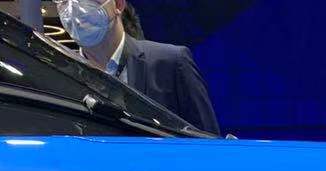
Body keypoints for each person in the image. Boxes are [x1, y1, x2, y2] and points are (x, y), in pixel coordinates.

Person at [55, 0, 219, 134]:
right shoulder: (58, 77)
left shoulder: (171, 63)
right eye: (63, 1)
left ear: (118, 4)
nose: (74, 7)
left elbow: (210, 147)